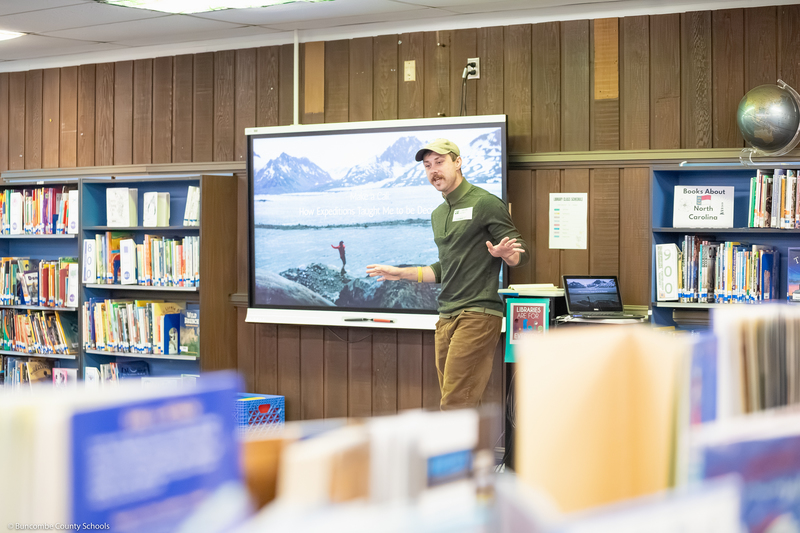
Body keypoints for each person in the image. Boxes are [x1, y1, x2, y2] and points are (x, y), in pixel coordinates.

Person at [367, 138, 529, 410]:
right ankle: (471, 452)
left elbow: (521, 254)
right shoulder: (438, 213)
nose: (433, 171)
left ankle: (459, 453)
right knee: (456, 402)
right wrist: (400, 273)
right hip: (446, 316)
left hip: (477, 314)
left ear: (458, 162)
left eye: (439, 162)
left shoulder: (485, 203)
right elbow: (444, 268)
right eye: (428, 166)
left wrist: (506, 254)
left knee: (455, 405)